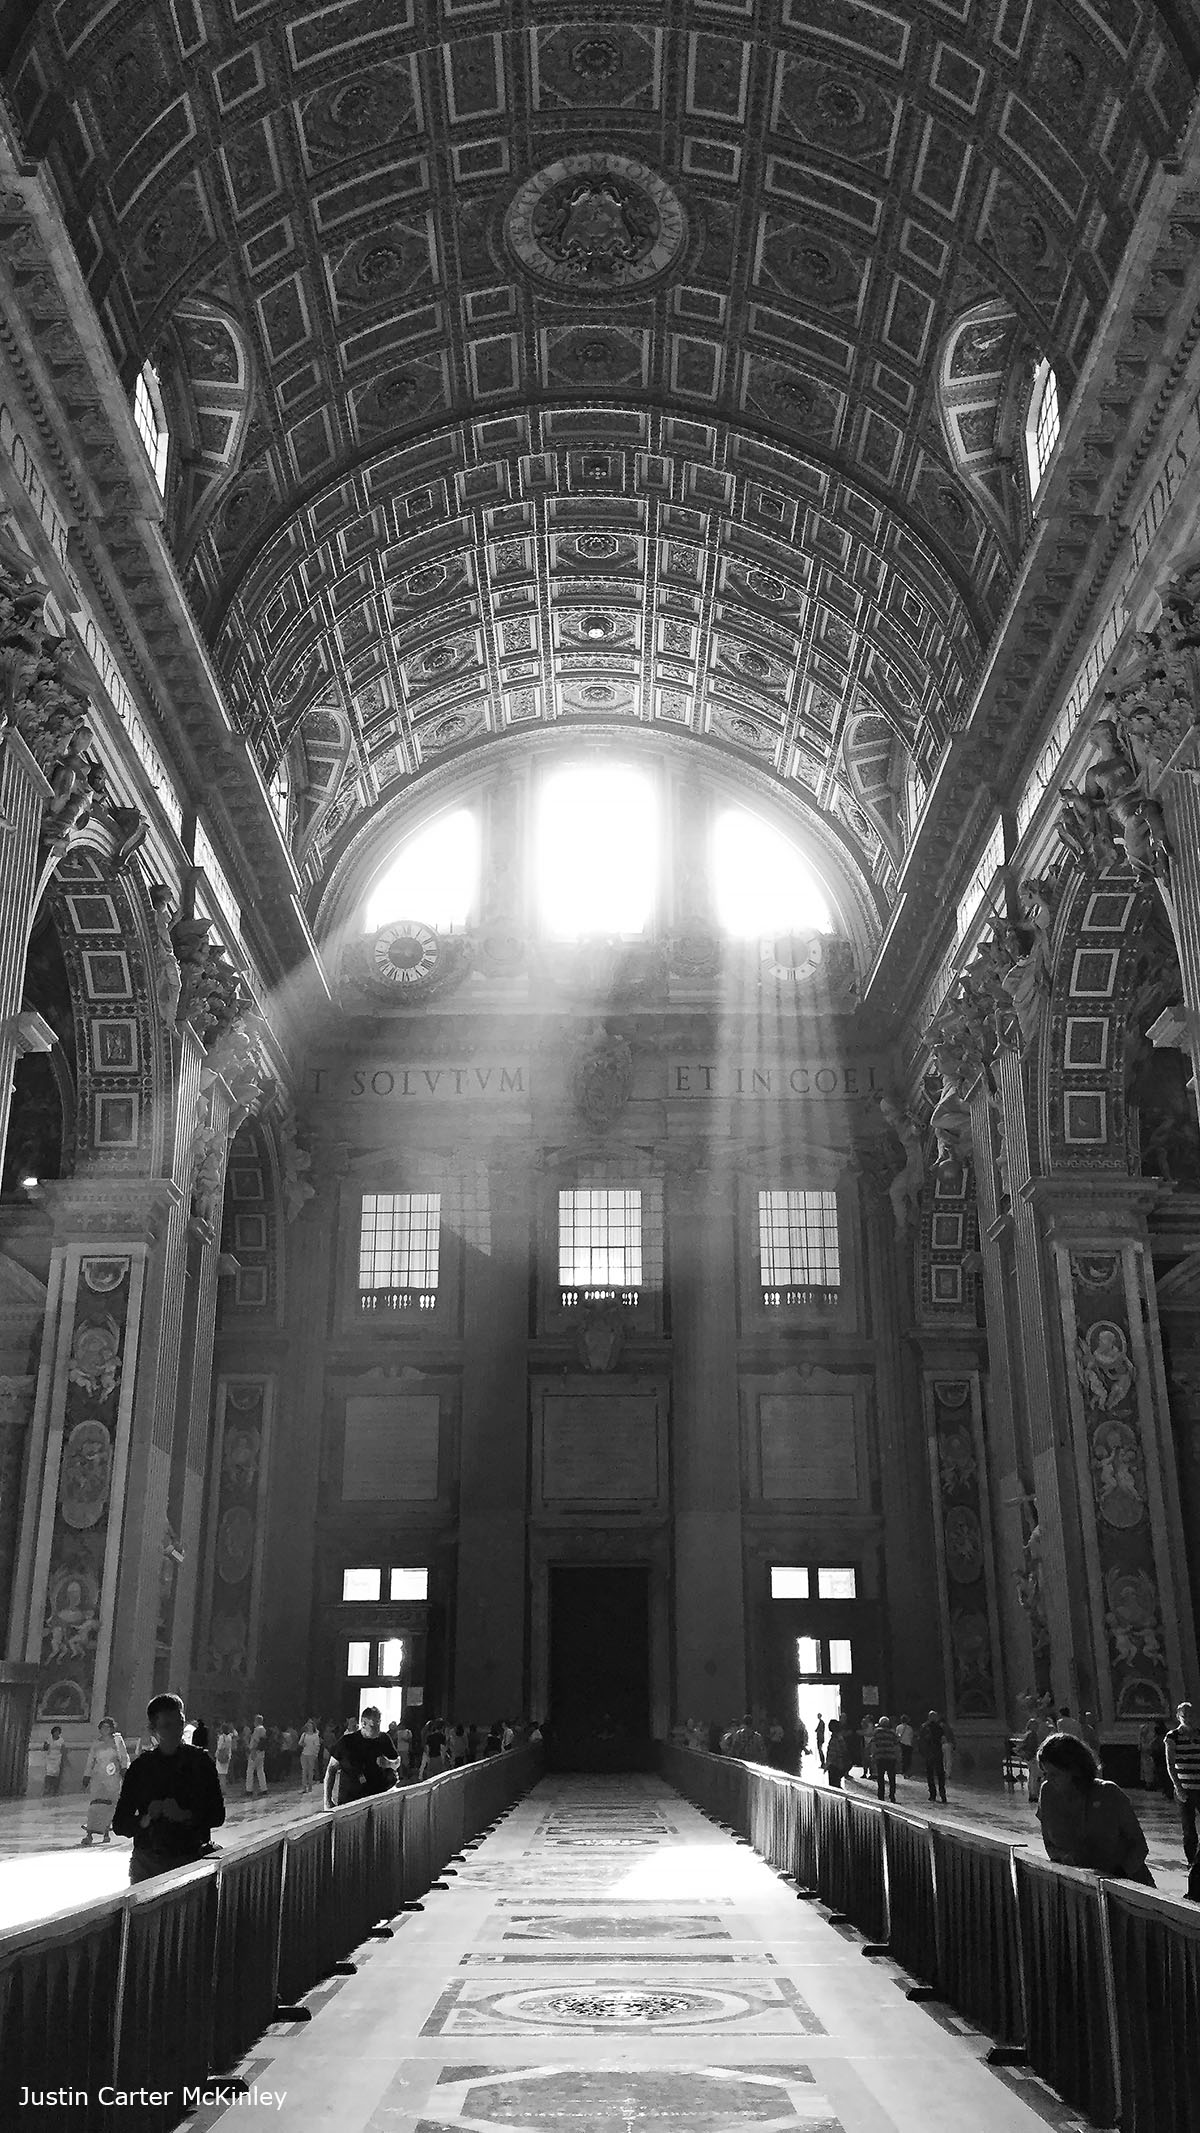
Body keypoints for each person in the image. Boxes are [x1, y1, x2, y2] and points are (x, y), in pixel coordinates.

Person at [111, 1693, 226, 1884]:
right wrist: (145, 1819)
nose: (176, 1731)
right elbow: (120, 1824)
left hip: (190, 1859)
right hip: (148, 1863)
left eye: (179, 1723)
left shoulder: (200, 1763)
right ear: (153, 1729)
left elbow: (217, 1816)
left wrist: (185, 1815)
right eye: (167, 1726)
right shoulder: (141, 1768)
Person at [1035, 1731, 1153, 1884]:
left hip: (1128, 1887)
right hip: (1080, 1887)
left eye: (1054, 1774)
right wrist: (1066, 1859)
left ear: (1074, 1769)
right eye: (1045, 1773)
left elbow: (1139, 1846)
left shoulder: (1109, 1793)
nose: (1048, 1780)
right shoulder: (1047, 1793)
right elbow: (1050, 1844)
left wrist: (1118, 1878)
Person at [323, 1706, 400, 1808]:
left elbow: (397, 1762)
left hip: (378, 1801)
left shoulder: (384, 1739)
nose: (378, 1729)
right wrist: (327, 1801)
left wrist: (388, 1763)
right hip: (350, 1802)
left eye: (379, 1724)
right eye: (373, 1726)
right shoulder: (347, 1742)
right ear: (363, 1724)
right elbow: (331, 1770)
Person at [81, 1715, 130, 1844]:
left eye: (107, 1727)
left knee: (109, 1805)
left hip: (112, 1777)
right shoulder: (96, 1744)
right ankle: (89, 1833)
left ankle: (106, 1831)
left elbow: (124, 1757)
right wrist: (87, 1775)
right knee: (95, 1804)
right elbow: (90, 1760)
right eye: (102, 1727)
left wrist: (125, 1770)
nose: (104, 1729)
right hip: (98, 1777)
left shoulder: (117, 1741)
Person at [1164, 1699, 1200, 1872]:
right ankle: (1192, 1860)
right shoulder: (1172, 1737)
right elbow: (1170, 1764)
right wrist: (1178, 1786)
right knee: (1189, 1828)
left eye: (1189, 1714)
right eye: (1183, 1715)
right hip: (1185, 1788)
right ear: (1178, 1716)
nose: (1186, 1717)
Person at [870, 1714, 901, 1802]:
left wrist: (873, 1755)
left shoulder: (876, 1732)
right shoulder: (892, 1733)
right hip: (891, 1757)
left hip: (880, 1757)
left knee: (880, 1777)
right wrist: (898, 1757)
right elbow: (897, 1745)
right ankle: (892, 1795)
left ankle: (881, 1796)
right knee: (892, 1777)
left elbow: (873, 1744)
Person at [919, 1710, 948, 1803]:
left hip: (930, 1753)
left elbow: (921, 1740)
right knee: (939, 1774)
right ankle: (941, 1794)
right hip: (936, 1752)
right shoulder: (939, 1727)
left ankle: (934, 1794)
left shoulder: (925, 1727)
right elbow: (943, 1739)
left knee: (931, 1774)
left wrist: (923, 1751)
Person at [245, 1711, 267, 1796]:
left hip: (255, 1751)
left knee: (250, 1771)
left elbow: (255, 1741)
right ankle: (264, 1788)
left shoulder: (257, 1729)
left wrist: (252, 1750)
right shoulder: (263, 1729)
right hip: (261, 1752)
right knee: (260, 1770)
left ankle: (249, 1789)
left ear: (256, 1721)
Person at [825, 1720, 851, 1789]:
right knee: (835, 1785)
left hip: (835, 1765)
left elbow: (833, 1753)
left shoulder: (836, 1739)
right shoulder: (839, 1738)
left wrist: (828, 1764)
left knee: (834, 1786)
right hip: (837, 1764)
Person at [299, 1717, 322, 1793]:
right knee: (304, 1771)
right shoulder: (304, 1734)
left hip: (312, 1755)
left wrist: (315, 1754)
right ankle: (304, 1787)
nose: (309, 1728)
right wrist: (303, 1744)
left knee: (310, 1771)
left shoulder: (315, 1735)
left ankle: (310, 1787)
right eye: (308, 1726)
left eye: (310, 1726)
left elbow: (317, 1745)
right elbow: (299, 1743)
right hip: (304, 1754)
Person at [41, 1725, 65, 1797]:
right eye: (56, 1732)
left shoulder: (61, 1740)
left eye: (58, 1732)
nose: (57, 1733)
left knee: (55, 1774)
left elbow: (63, 1749)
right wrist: (46, 1745)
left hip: (57, 1757)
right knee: (48, 1774)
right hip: (49, 1757)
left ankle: (54, 1790)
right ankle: (47, 1789)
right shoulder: (49, 1739)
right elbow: (44, 1748)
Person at [214, 1721, 236, 1790]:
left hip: (221, 1756)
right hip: (227, 1755)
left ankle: (222, 1789)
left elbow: (220, 1747)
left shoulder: (221, 1737)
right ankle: (224, 1788)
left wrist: (216, 1753)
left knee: (220, 1774)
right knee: (224, 1773)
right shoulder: (229, 1737)